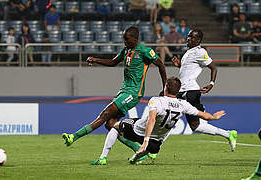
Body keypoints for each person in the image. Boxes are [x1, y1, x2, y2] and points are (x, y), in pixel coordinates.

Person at [62, 26, 167, 155]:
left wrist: (164, 88)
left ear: (135, 38)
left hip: (134, 92)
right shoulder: (126, 50)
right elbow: (113, 62)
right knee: (110, 124)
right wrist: (95, 60)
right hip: (123, 91)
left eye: (127, 39)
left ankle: (74, 137)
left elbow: (161, 65)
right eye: (124, 39)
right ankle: (140, 150)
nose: (125, 42)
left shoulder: (145, 51)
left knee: (105, 113)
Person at [91, 77, 226, 165]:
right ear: (178, 90)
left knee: (113, 126)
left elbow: (152, 119)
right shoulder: (183, 104)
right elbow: (204, 116)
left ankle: (103, 157)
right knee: (151, 146)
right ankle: (136, 157)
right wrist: (214, 116)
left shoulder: (156, 100)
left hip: (139, 131)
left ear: (165, 88)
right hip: (156, 144)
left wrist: (145, 140)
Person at [172, 29, 237, 152]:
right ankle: (228, 134)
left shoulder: (200, 52)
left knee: (187, 123)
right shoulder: (188, 52)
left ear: (198, 40)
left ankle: (151, 150)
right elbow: (189, 70)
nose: (188, 38)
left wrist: (211, 83)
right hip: (183, 90)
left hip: (190, 92)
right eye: (188, 36)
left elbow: (213, 68)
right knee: (192, 125)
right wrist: (180, 65)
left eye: (192, 37)